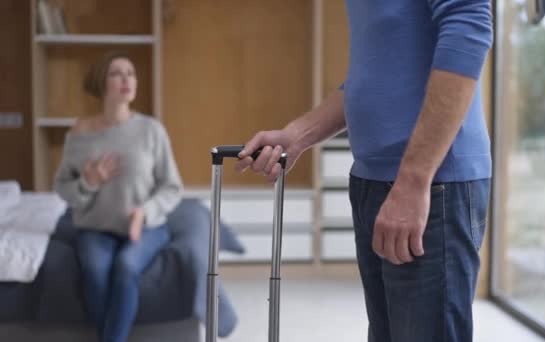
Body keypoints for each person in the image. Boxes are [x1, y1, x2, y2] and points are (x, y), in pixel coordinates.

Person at [236, 1, 493, 341]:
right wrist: (297, 134)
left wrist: (414, 180)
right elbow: (377, 72)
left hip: (432, 185)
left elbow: (469, 29)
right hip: (375, 178)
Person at [54, 51, 183, 342]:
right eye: (117, 73)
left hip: (146, 227)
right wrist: (89, 182)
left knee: (126, 266)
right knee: (96, 271)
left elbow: (172, 187)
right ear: (102, 82)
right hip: (95, 228)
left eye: (131, 73)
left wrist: (144, 212)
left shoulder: (151, 130)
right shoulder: (80, 132)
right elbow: (63, 187)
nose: (127, 79)